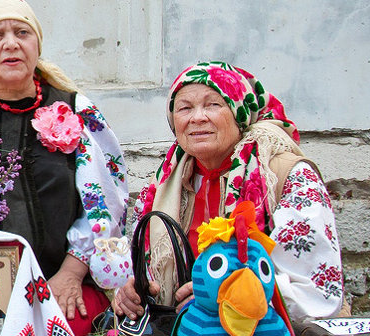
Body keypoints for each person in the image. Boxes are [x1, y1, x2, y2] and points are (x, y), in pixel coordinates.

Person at [0, 0, 129, 335]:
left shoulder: (76, 109)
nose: (11, 44)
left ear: (37, 44)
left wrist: (72, 272)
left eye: (22, 33)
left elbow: (106, 201)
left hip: (66, 285)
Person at [114, 62, 345, 321]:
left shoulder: (285, 176)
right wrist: (133, 292)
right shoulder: (164, 187)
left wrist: (223, 295)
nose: (197, 117)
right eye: (185, 108)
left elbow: (319, 293)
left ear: (239, 112)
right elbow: (148, 275)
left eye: (213, 104)